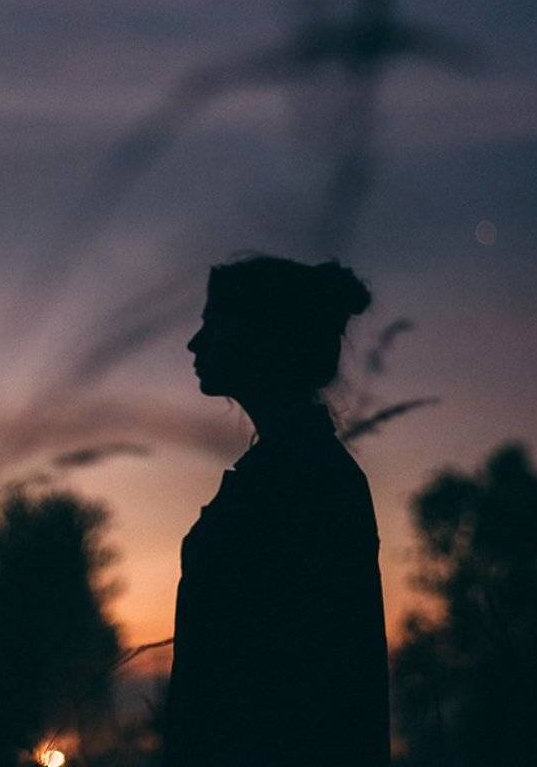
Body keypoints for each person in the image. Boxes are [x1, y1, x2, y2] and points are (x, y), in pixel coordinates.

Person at [160, 255, 391, 767]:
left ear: (257, 336)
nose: (194, 343)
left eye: (212, 323)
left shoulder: (304, 481)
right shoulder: (297, 472)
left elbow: (311, 680)